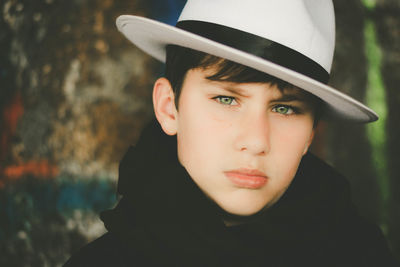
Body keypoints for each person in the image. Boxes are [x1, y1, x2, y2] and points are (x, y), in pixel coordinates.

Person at [64, 0, 399, 266]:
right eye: (226, 99)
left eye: (285, 108)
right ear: (169, 107)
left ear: (311, 133)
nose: (256, 141)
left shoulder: (361, 255)